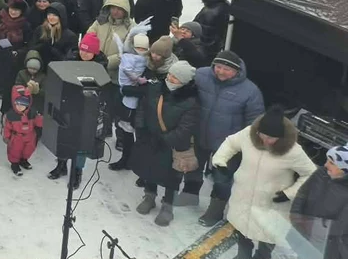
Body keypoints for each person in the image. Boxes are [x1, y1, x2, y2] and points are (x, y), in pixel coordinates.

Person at [209, 105, 316, 258]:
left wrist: (289, 193)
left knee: (268, 236)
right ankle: (243, 254)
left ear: (281, 137)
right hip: (242, 196)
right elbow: (230, 143)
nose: (265, 140)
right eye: (262, 135)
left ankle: (263, 255)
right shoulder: (248, 134)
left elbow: (311, 174)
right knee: (240, 228)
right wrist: (220, 162)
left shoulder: (293, 151)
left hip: (271, 203)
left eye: (271, 138)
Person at [191, 50, 266, 225]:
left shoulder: (250, 91)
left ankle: (215, 211)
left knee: (222, 179)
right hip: (200, 135)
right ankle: (189, 195)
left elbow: (254, 123)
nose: (221, 72)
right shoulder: (201, 75)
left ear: (237, 71)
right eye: (218, 67)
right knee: (192, 167)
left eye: (227, 69)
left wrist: (247, 146)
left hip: (228, 145)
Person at [132, 59, 200, 226]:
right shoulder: (156, 88)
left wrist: (165, 140)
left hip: (172, 145)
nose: (169, 78)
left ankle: (167, 206)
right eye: (169, 74)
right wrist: (140, 128)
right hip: (150, 138)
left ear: (184, 81)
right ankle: (149, 196)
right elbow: (143, 107)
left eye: (175, 77)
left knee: (172, 178)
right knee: (149, 169)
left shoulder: (191, 101)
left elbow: (186, 128)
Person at [290, 144, 348, 259]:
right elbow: (303, 193)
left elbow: (342, 225)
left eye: (332, 162)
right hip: (303, 234)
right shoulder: (321, 172)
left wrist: (308, 224)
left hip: (327, 245)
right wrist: (295, 214)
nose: (326, 165)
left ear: (344, 169)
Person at [3, 86, 43, 176]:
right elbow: (7, 127)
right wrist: (6, 136)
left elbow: (38, 123)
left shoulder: (32, 112)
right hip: (17, 137)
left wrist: (40, 118)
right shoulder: (11, 115)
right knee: (15, 151)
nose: (20, 107)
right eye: (18, 103)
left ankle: (24, 160)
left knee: (28, 150)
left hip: (30, 136)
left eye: (23, 104)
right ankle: (14, 164)